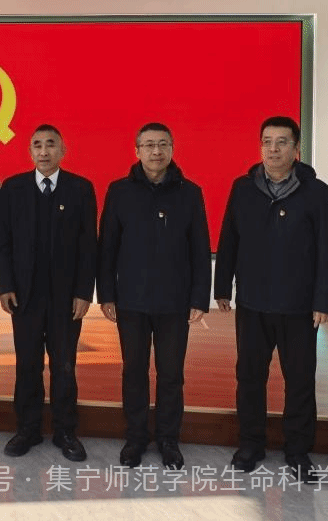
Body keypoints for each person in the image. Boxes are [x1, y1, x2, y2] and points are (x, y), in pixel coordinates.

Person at [213, 116, 328, 483]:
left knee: (299, 380)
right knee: (250, 376)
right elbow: (229, 237)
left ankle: (297, 450)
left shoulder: (316, 192)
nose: (273, 149)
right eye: (267, 141)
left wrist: (324, 300)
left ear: (296, 149)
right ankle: (250, 444)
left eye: (282, 142)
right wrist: (222, 286)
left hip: (299, 305)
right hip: (252, 302)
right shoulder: (243, 188)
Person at [97, 122, 211, 469]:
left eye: (162, 144)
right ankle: (135, 437)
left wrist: (199, 298)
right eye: (148, 145)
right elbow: (107, 247)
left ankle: (168, 439)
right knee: (133, 371)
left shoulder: (190, 193)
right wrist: (106, 294)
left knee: (171, 373)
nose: (156, 151)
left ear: (172, 149)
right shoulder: (119, 191)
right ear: (137, 151)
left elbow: (200, 248)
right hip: (130, 300)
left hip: (175, 302)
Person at [0, 124, 97, 462]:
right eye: (37, 145)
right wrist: (5, 286)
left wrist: (84, 292)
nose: (43, 151)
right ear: (29, 151)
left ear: (63, 150)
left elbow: (89, 246)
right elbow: (4, 243)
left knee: (64, 365)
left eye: (50, 144)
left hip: (66, 298)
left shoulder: (80, 189)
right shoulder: (13, 188)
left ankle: (66, 430)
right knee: (28, 364)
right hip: (24, 296)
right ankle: (27, 428)